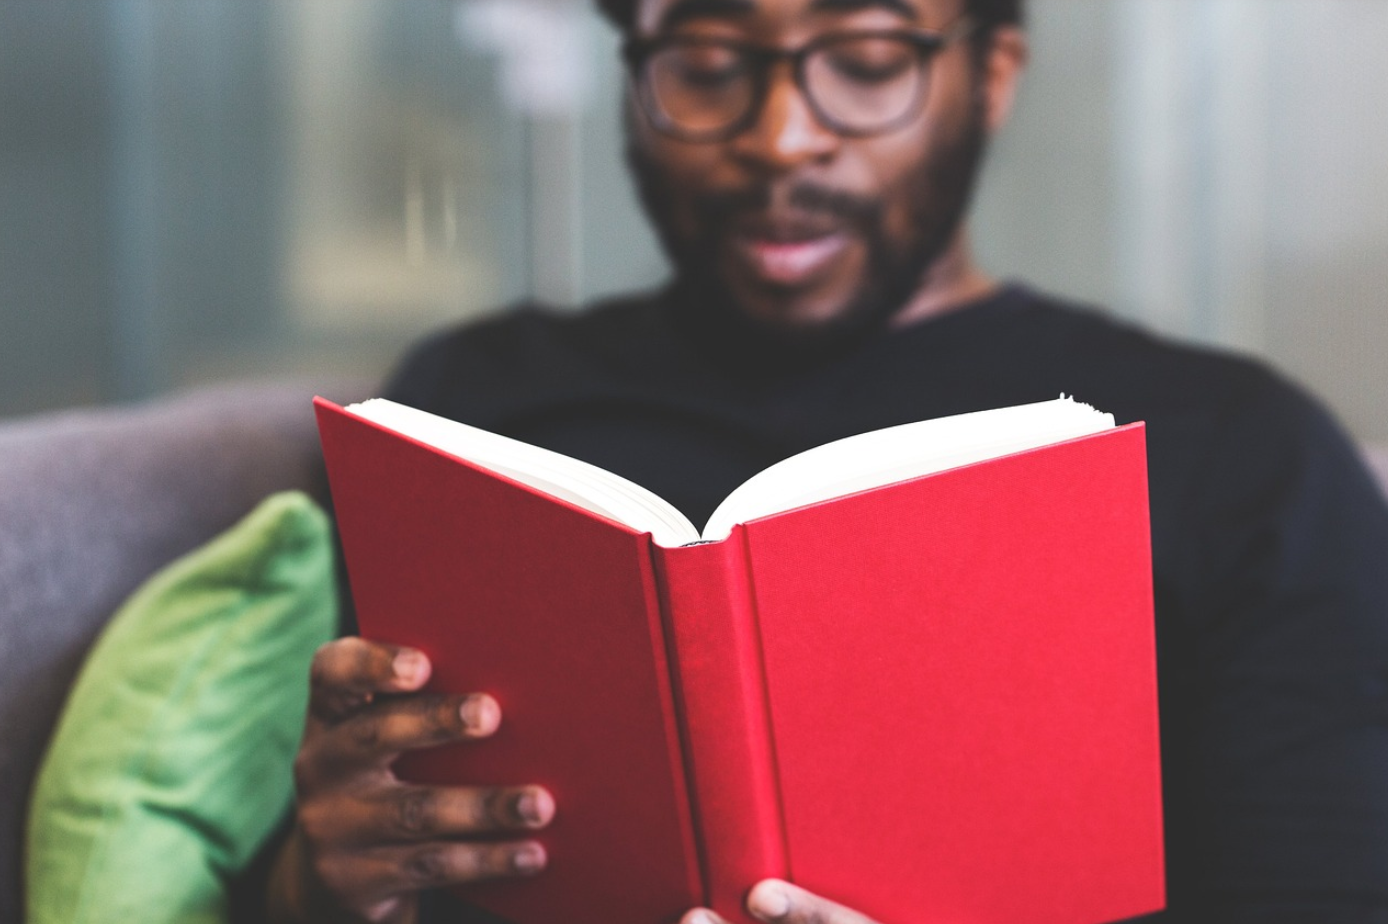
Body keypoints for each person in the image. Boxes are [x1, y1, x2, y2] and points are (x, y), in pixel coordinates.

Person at [266, 0, 1388, 921]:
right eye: (703, 63)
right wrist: (331, 884)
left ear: (991, 75)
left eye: (863, 61)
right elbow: (326, 844)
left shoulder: (1241, 449)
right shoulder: (461, 413)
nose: (779, 137)